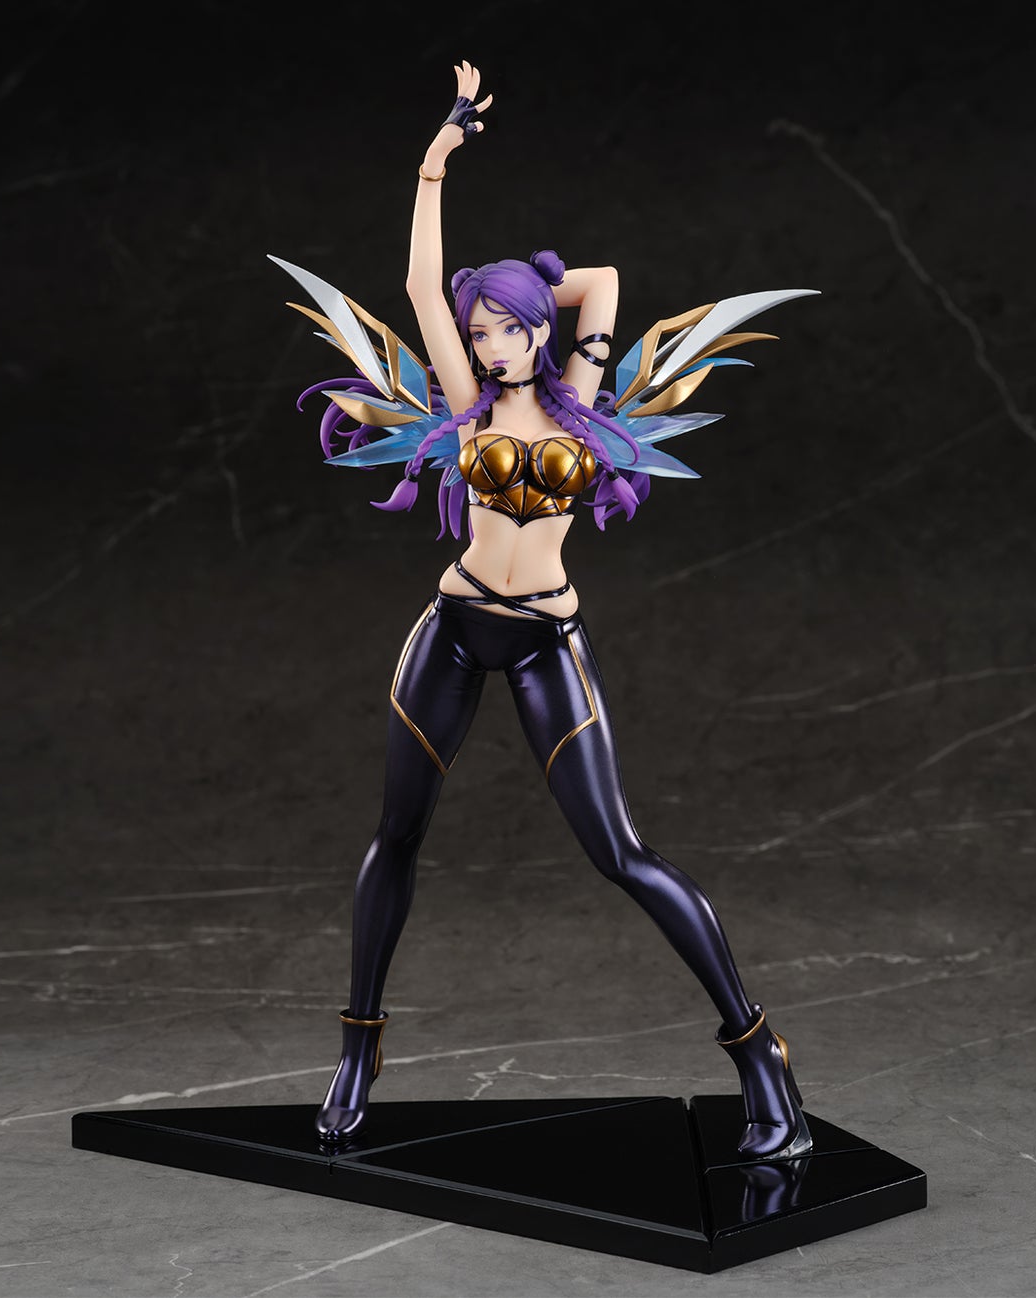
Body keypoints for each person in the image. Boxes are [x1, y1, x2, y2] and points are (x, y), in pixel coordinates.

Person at [275, 61, 817, 1161]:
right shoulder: (464, 400)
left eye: (503, 329)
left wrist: (526, 281)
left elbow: (602, 278)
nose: (486, 345)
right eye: (477, 332)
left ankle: (760, 1053)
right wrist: (435, 164)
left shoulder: (585, 393)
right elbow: (419, 285)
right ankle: (357, 1049)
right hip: (454, 626)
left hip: (543, 642)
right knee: (396, 835)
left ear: (533, 328)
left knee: (621, 852)